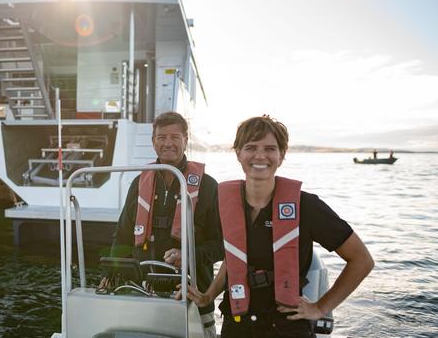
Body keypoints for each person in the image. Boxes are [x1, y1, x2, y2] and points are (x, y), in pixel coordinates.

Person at [184, 115, 374, 337]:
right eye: (251, 147)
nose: (260, 155)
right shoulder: (225, 203)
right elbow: (232, 258)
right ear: (238, 153)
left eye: (270, 148)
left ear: (282, 155)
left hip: (287, 326)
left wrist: (320, 307)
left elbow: (362, 260)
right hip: (237, 324)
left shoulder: (307, 206)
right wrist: (208, 296)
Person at [108, 111, 222, 338]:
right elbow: (122, 235)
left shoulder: (208, 186)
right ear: (153, 142)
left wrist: (188, 256)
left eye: (175, 137)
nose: (168, 143)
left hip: (192, 295)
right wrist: (112, 271)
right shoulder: (139, 183)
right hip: (143, 293)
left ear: (186, 141)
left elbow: (221, 245)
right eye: (161, 137)